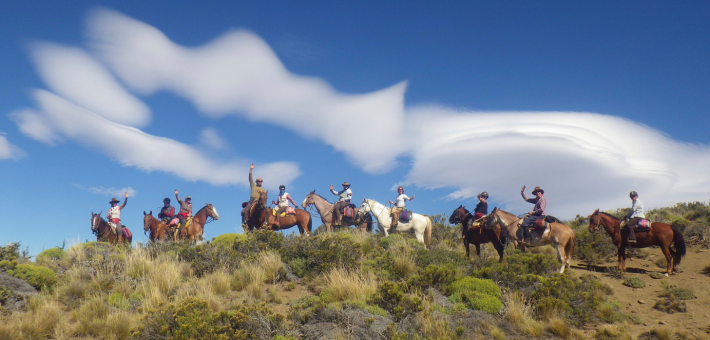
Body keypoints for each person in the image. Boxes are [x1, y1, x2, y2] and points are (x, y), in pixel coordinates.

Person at [242, 163, 266, 228]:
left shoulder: (263, 189)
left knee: (266, 210)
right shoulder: (253, 186)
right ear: (256, 182)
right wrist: (251, 169)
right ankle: (245, 221)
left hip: (260, 201)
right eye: (259, 181)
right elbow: (250, 178)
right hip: (252, 200)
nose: (260, 182)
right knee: (247, 209)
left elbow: (264, 197)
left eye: (261, 181)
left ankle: (265, 222)